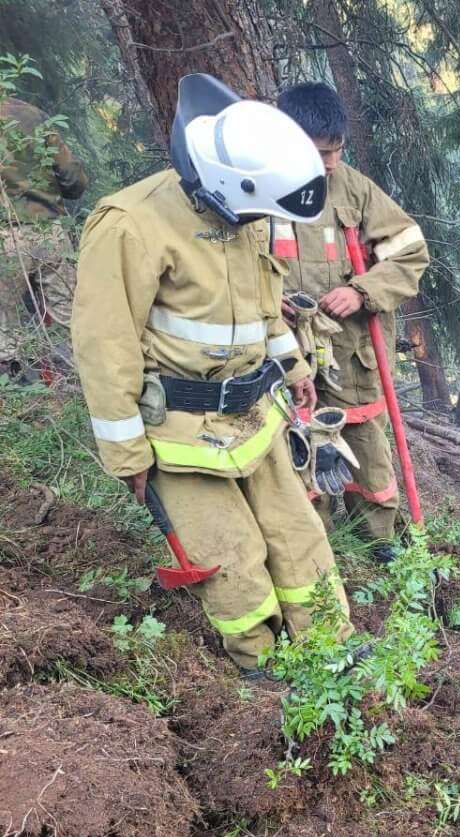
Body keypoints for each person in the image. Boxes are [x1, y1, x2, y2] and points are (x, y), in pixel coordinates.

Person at [71, 74, 355, 679]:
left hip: (255, 414)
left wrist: (293, 364)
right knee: (232, 558)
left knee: (298, 536)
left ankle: (330, 649)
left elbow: (263, 301)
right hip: (179, 432)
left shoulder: (244, 211)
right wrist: (126, 454)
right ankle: (263, 669)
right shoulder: (130, 226)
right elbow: (104, 345)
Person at [273, 82, 430, 563]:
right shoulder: (254, 186)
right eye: (322, 153)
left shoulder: (354, 189)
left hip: (350, 354)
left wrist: (362, 291)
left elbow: (410, 254)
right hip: (281, 353)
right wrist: (265, 299)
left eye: (337, 151)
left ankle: (378, 543)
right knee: (291, 443)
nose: (330, 164)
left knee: (366, 446)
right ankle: (319, 550)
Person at [0, 95, 88, 379]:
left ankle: (16, 404)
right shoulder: (31, 114)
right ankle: (80, 390)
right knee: (69, 318)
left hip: (5, 237)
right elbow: (74, 179)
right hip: (50, 232)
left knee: (5, 330)